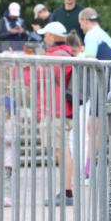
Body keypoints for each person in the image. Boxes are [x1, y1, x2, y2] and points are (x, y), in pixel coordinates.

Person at [30, 22, 75, 206]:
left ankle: (67, 192)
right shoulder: (64, 54)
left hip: (56, 110)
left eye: (46, 35)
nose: (44, 38)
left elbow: (34, 78)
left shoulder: (56, 57)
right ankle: (66, 191)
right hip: (59, 109)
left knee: (60, 150)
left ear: (53, 36)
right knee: (60, 150)